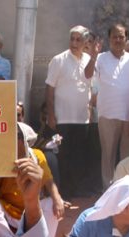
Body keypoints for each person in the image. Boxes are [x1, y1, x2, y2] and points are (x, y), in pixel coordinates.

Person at [0, 122, 64, 237]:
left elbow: (49, 181)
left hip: (32, 209)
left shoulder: (38, 156)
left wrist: (58, 199)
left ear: (21, 141)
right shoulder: (3, 157)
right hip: (9, 209)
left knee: (52, 203)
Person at [84, 23, 129, 190]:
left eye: (121, 36)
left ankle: (125, 190)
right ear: (109, 39)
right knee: (108, 156)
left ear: (126, 39)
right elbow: (87, 74)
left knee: (128, 157)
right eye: (114, 37)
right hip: (107, 115)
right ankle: (108, 191)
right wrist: (94, 55)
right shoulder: (101, 58)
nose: (118, 40)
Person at [46, 25, 92, 198]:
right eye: (72, 39)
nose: (74, 42)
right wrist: (51, 115)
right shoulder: (59, 60)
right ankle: (63, 192)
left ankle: (76, 191)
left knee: (79, 156)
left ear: (86, 42)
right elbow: (49, 88)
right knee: (63, 157)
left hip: (82, 119)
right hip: (62, 119)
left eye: (78, 39)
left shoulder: (89, 60)